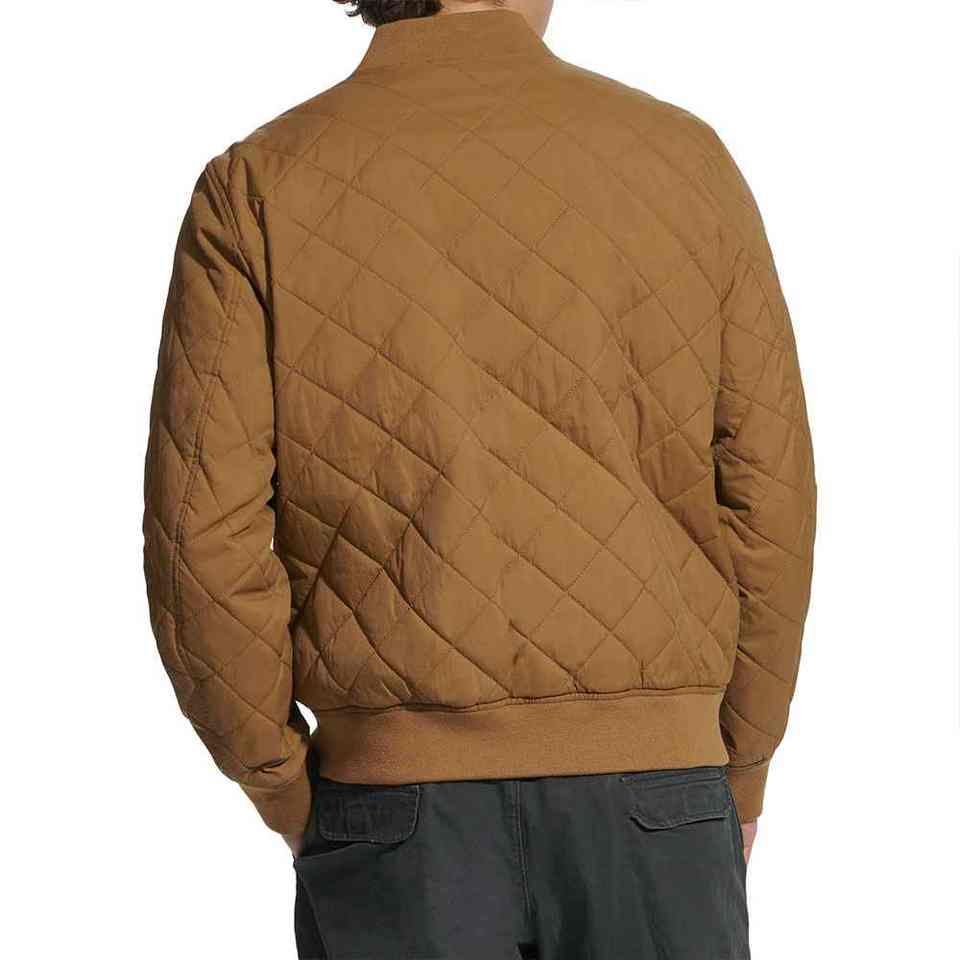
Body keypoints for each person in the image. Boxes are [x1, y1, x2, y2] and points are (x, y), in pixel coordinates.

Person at [143, 1, 816, 956]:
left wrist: (283, 783)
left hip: (391, 812)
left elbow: (200, 539)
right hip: (659, 807)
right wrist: (737, 767)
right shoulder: (684, 161)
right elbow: (769, 502)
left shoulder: (259, 184)